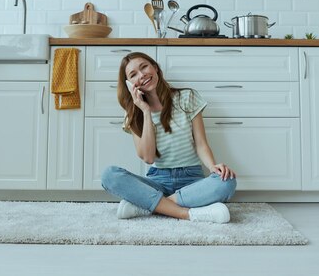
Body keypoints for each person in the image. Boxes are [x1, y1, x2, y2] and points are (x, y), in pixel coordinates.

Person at [101, 52, 237, 223]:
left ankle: (149, 205)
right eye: (133, 74)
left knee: (227, 181)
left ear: (155, 68)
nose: (142, 75)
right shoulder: (134, 115)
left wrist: (213, 167)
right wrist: (145, 111)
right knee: (109, 175)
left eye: (144, 67)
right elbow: (148, 158)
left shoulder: (187, 97)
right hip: (158, 181)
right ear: (129, 85)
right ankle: (188, 213)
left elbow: (201, 144)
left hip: (192, 181)